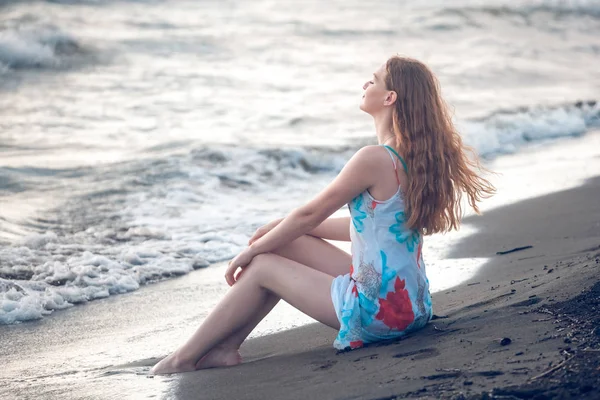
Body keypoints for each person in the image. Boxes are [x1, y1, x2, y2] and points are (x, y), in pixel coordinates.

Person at [150, 55, 495, 375]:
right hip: (409, 306)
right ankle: (225, 347)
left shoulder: (373, 158)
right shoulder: (411, 158)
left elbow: (310, 212)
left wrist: (253, 250)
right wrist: (281, 232)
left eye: (373, 81)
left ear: (390, 98)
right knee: (284, 240)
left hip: (377, 313)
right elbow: (374, 227)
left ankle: (183, 358)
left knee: (263, 265)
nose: (365, 85)